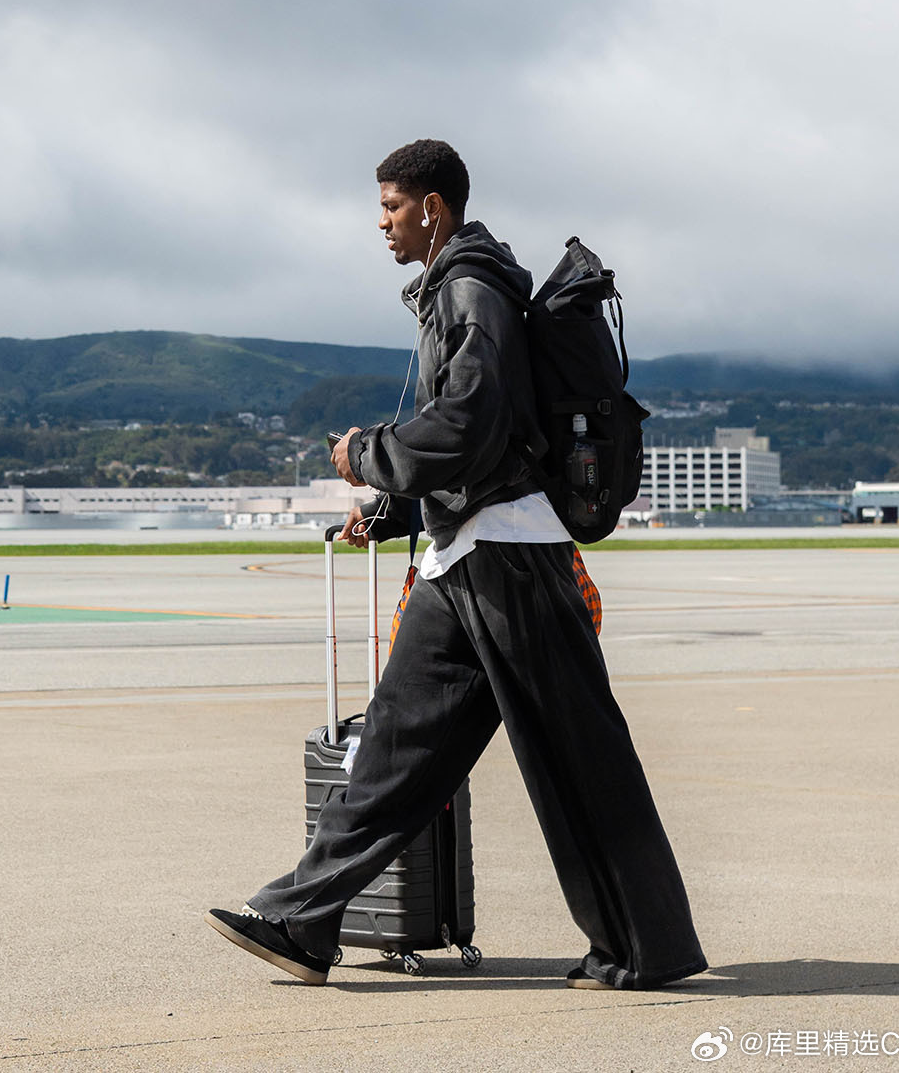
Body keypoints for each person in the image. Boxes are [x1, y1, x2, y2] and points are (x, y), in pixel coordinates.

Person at [206, 138, 706, 990]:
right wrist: (394, 509)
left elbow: (473, 422)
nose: (382, 223)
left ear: (432, 207)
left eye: (392, 206)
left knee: (581, 760)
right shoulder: (459, 288)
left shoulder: (472, 288)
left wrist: (367, 452)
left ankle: (648, 945)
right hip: (467, 556)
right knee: (395, 754)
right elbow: (484, 439)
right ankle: (301, 921)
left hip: (513, 561)